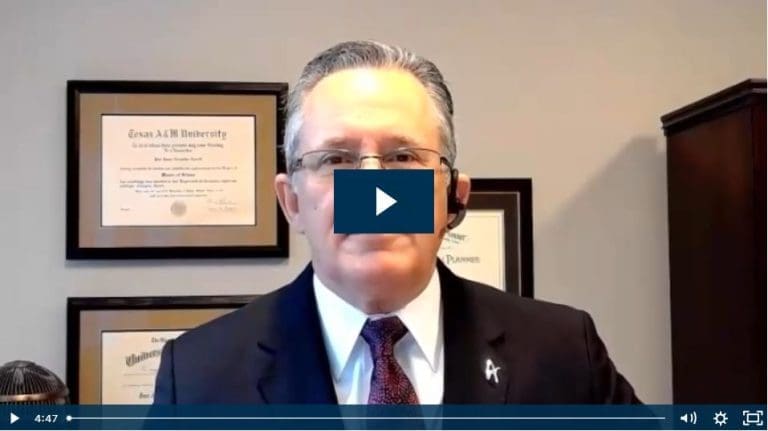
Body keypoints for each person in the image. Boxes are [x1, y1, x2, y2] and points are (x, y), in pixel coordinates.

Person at [154, 40, 639, 404]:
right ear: (292, 204)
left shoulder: (564, 355)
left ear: (454, 198)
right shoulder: (199, 377)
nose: (371, 193)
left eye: (403, 156)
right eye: (336, 160)